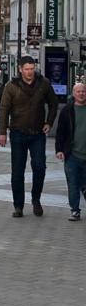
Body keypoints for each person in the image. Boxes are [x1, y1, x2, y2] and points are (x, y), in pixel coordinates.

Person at [0, 55, 58, 218]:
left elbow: (54, 103)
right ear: (20, 69)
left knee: (39, 167)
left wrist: (49, 122)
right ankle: (18, 206)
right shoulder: (11, 86)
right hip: (17, 132)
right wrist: (2, 132)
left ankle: (36, 199)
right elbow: (4, 109)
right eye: (27, 69)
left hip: (38, 133)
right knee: (17, 171)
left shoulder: (43, 83)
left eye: (32, 69)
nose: (30, 72)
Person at [55, 82, 86, 221]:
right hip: (72, 153)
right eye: (78, 91)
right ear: (73, 93)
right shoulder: (67, 110)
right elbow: (60, 132)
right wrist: (59, 149)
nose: (81, 94)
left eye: (83, 91)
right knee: (73, 183)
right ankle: (75, 210)